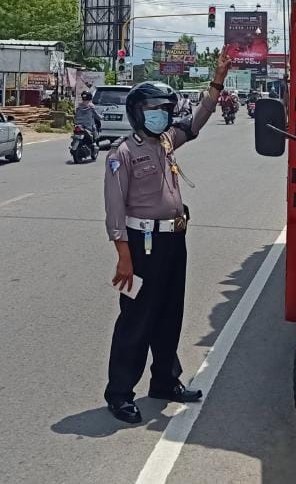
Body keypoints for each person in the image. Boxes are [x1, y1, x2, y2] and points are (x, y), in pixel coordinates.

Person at [103, 48, 232, 424]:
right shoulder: (122, 153)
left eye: (165, 109)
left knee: (169, 313)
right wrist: (123, 256)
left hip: (174, 241)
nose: (162, 115)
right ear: (139, 112)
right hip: (141, 246)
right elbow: (114, 210)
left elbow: (197, 121)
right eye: (154, 109)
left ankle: (164, 381)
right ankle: (120, 393)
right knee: (136, 318)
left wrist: (217, 80)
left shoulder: (166, 142)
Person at [75, 91, 102, 158]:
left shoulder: (79, 106)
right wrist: (102, 117)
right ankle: (93, 146)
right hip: (88, 126)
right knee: (95, 132)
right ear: (90, 97)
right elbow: (96, 116)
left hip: (79, 125)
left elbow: (75, 116)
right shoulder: (91, 106)